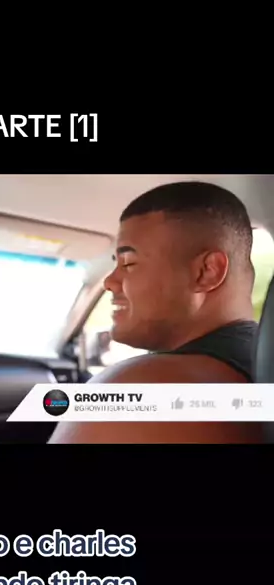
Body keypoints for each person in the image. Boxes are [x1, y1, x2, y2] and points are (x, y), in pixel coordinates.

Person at [49, 180, 263, 444]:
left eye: (129, 262)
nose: (109, 282)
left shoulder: (141, 390)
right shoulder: (259, 367)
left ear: (206, 272)